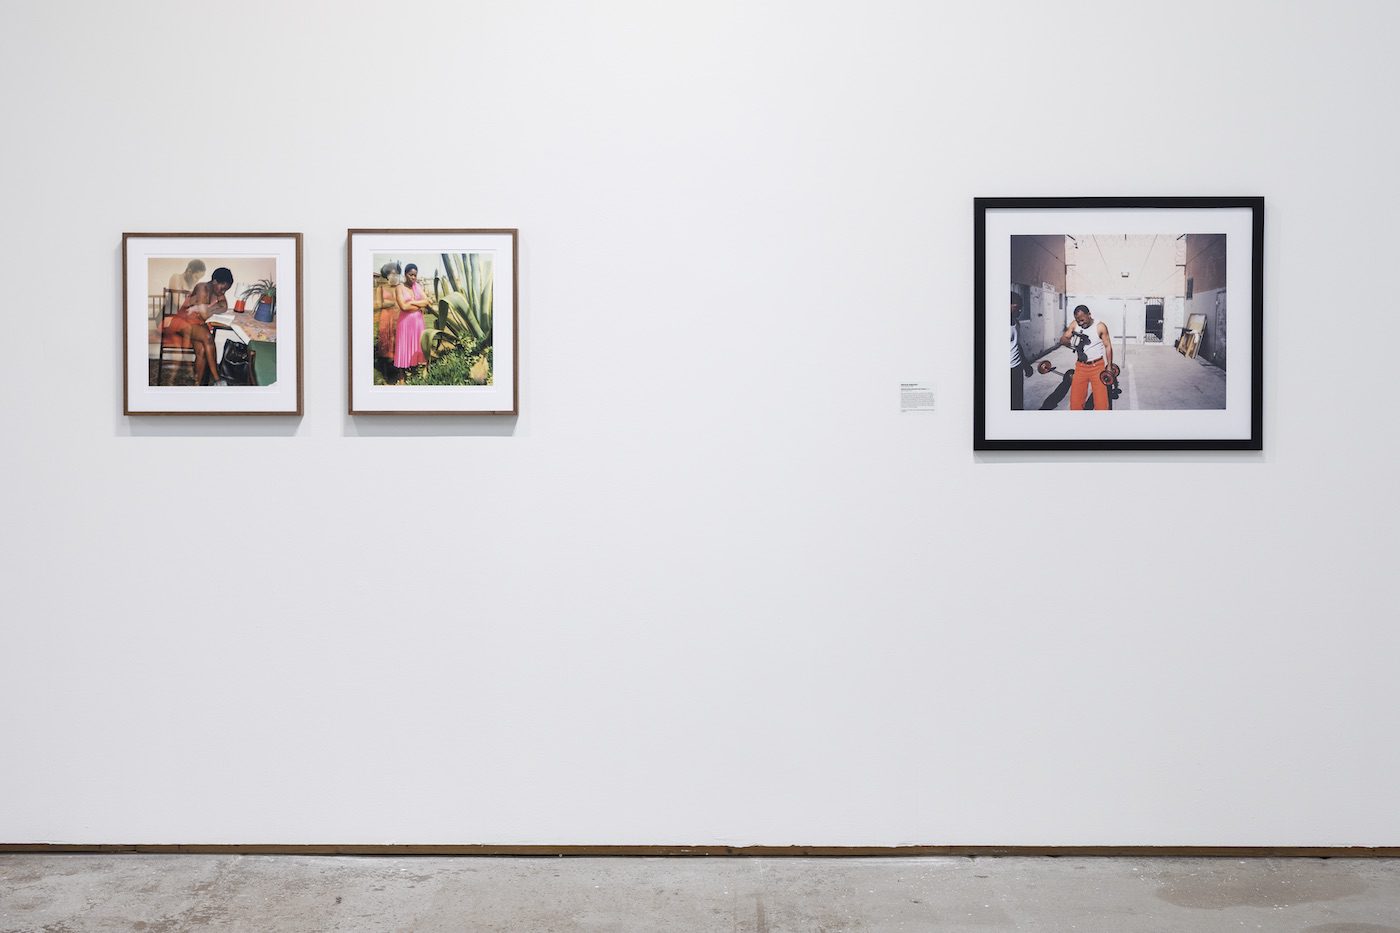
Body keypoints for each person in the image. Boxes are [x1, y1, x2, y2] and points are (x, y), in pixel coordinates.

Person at [165, 266, 234, 386]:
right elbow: (205, 315)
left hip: (197, 324)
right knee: (208, 337)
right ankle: (217, 379)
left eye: (225, 290)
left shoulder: (216, 291)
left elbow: (224, 306)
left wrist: (204, 308)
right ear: (215, 281)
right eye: (222, 288)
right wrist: (207, 309)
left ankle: (197, 384)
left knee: (202, 350)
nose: (223, 292)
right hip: (182, 322)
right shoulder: (203, 288)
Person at [1060, 304, 1113, 411]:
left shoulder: (1100, 326)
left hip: (1097, 367)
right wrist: (1068, 342)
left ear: (1089, 314)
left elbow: (1108, 346)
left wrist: (1109, 366)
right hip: (1080, 367)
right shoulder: (1075, 324)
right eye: (1078, 320)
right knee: (1075, 403)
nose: (1080, 323)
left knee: (1101, 404)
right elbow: (1064, 339)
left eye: (1082, 320)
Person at [394, 262, 429, 373]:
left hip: (418, 322)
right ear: (405, 274)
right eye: (411, 275)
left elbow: (427, 302)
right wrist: (419, 305)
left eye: (415, 275)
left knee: (417, 345)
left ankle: (414, 368)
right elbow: (403, 307)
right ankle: (401, 374)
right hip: (405, 322)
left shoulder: (417, 287)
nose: (413, 277)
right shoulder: (399, 288)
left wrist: (412, 302)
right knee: (403, 345)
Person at [375, 262, 402, 373]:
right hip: (386, 318)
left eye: (396, 274)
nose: (394, 276)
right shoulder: (380, 288)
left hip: (398, 317)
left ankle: (399, 368)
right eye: (392, 274)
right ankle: (385, 370)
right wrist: (391, 303)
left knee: (398, 341)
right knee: (385, 341)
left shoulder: (399, 287)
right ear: (387, 275)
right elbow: (379, 304)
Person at [1010, 291, 1033, 410]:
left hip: (1017, 368)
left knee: (1018, 403)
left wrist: (1026, 365)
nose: (1020, 311)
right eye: (1017, 307)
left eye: (1021, 308)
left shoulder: (1016, 322)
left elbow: (1017, 345)